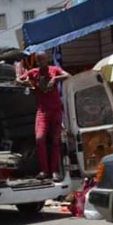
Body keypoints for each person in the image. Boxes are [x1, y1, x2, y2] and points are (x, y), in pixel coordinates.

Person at [16, 51, 71, 182]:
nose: (41, 62)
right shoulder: (34, 72)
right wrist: (28, 83)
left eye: (43, 60)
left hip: (56, 110)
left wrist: (54, 79)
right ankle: (44, 170)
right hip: (42, 111)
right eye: (39, 60)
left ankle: (54, 171)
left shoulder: (54, 70)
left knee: (55, 141)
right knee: (40, 138)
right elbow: (18, 80)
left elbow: (68, 75)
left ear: (47, 59)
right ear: (37, 61)